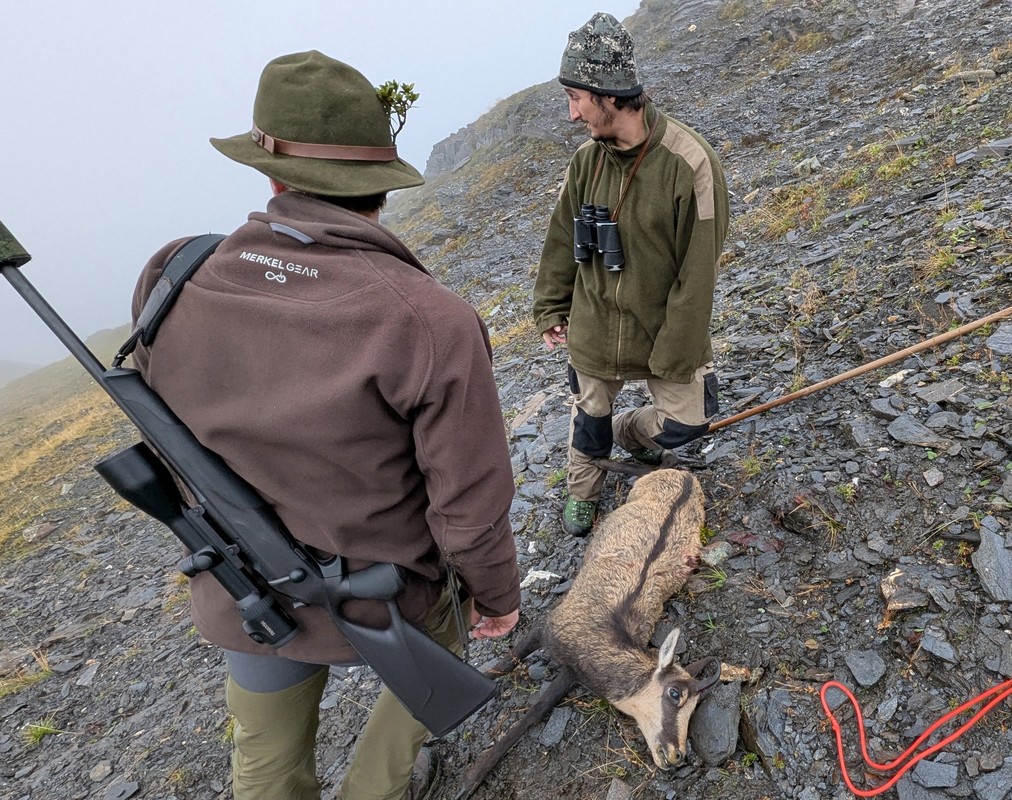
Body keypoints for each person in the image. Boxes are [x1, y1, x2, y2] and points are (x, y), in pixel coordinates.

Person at [129, 51, 520, 800]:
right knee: (445, 634)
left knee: (266, 770)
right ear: (380, 182)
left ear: (270, 175)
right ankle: (378, 786)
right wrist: (498, 595)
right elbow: (468, 510)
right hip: (385, 598)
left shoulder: (172, 272)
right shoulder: (429, 320)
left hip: (242, 589)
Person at [533, 12, 730, 536]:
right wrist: (551, 307)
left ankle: (633, 434)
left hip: (663, 326)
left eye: (576, 98)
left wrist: (676, 351)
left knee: (687, 422)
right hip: (595, 325)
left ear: (607, 94)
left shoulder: (689, 163)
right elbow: (559, 241)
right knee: (589, 421)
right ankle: (584, 492)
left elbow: (699, 271)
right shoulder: (584, 163)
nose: (572, 114)